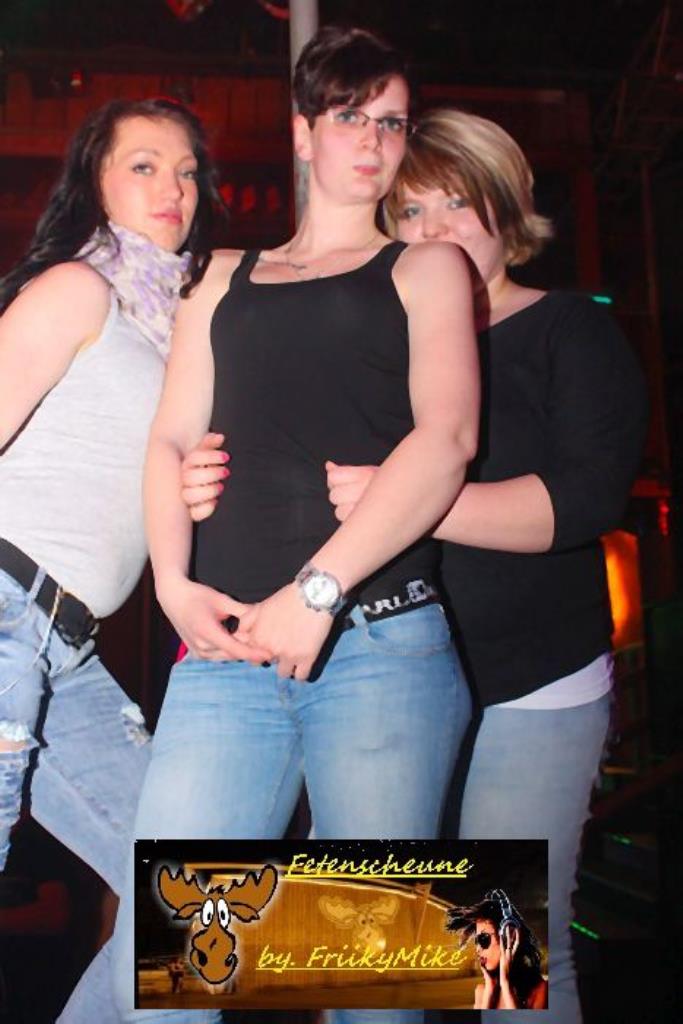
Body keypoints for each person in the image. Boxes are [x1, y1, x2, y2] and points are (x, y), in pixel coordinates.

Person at [182, 106, 647, 1024]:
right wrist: (201, 471)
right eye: (411, 211)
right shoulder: (370, 327)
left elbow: (585, 500)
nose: (433, 230)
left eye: (456, 205)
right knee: (361, 952)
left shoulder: (564, 329)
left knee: (504, 955)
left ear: (506, 208)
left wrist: (412, 496)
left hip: (526, 680)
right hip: (380, 672)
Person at [111, 25, 478, 1024]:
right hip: (224, 652)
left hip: (380, 645)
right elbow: (167, 438)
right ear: (304, 132)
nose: (374, 140)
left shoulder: (427, 268)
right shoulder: (219, 274)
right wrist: (174, 586)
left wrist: (317, 591)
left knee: (373, 996)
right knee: (162, 978)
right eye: (350, 116)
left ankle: (466, 950)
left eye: (392, 122)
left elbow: (445, 440)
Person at [0, 96, 221, 1022]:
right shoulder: (78, 288)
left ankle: (478, 941)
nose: (175, 188)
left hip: (68, 649)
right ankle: (474, 937)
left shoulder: (168, 328)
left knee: (208, 909)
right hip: (7, 610)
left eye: (187, 171)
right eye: (144, 165)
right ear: (93, 183)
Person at [446, 890, 548, 1010]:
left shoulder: (541, 990)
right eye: (476, 941)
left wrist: (506, 985)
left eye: (483, 939)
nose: (478, 949)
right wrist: (489, 991)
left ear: (510, 937)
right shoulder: (482, 992)